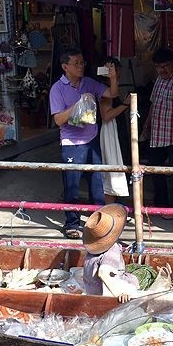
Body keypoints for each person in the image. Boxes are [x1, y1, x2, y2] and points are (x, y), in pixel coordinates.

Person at [50, 49, 120, 239]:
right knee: (72, 186)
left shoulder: (88, 83)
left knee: (97, 186)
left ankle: (98, 223)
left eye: (82, 63)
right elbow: (58, 120)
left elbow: (112, 94)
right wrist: (78, 105)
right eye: (76, 63)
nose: (81, 66)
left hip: (92, 139)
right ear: (65, 67)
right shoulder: (57, 89)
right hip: (71, 143)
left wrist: (113, 77)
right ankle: (72, 224)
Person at [141, 48, 173, 218]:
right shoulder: (159, 80)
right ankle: (161, 204)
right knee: (156, 171)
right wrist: (146, 125)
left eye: (165, 66)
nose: (162, 70)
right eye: (158, 67)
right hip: (157, 134)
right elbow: (154, 103)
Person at [81, 203, 131, 302]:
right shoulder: (112, 249)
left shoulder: (92, 251)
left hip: (90, 291)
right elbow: (104, 273)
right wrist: (120, 292)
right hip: (105, 294)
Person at [97, 62, 130, 205]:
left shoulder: (110, 87)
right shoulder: (104, 89)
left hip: (114, 129)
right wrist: (125, 104)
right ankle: (110, 208)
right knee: (112, 168)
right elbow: (106, 115)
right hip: (110, 131)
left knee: (115, 167)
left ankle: (113, 207)